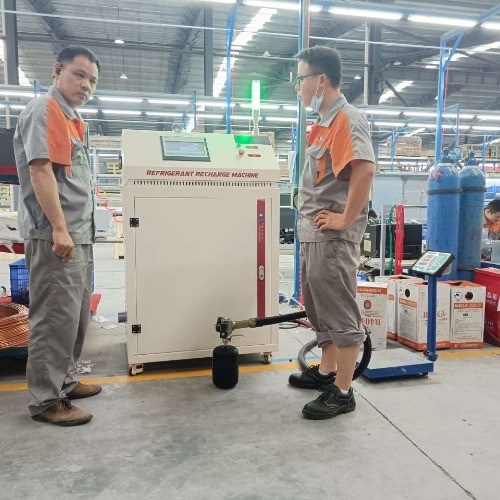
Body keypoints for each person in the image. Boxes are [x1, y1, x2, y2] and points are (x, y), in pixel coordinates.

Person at [14, 46, 101, 426]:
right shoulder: (44, 109)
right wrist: (60, 229)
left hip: (78, 235)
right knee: (52, 319)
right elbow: (40, 170)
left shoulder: (72, 119)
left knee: (73, 317)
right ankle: (47, 401)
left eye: (92, 81)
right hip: (57, 237)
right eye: (79, 75)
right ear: (57, 70)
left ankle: (64, 381)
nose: (86, 85)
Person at [288, 46, 375, 420]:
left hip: (332, 239)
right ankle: (326, 371)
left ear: (320, 80)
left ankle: (342, 391)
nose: (298, 87)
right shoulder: (323, 123)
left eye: (300, 79)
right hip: (313, 234)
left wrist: (344, 220)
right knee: (317, 306)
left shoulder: (346, 119)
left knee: (339, 312)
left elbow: (365, 170)